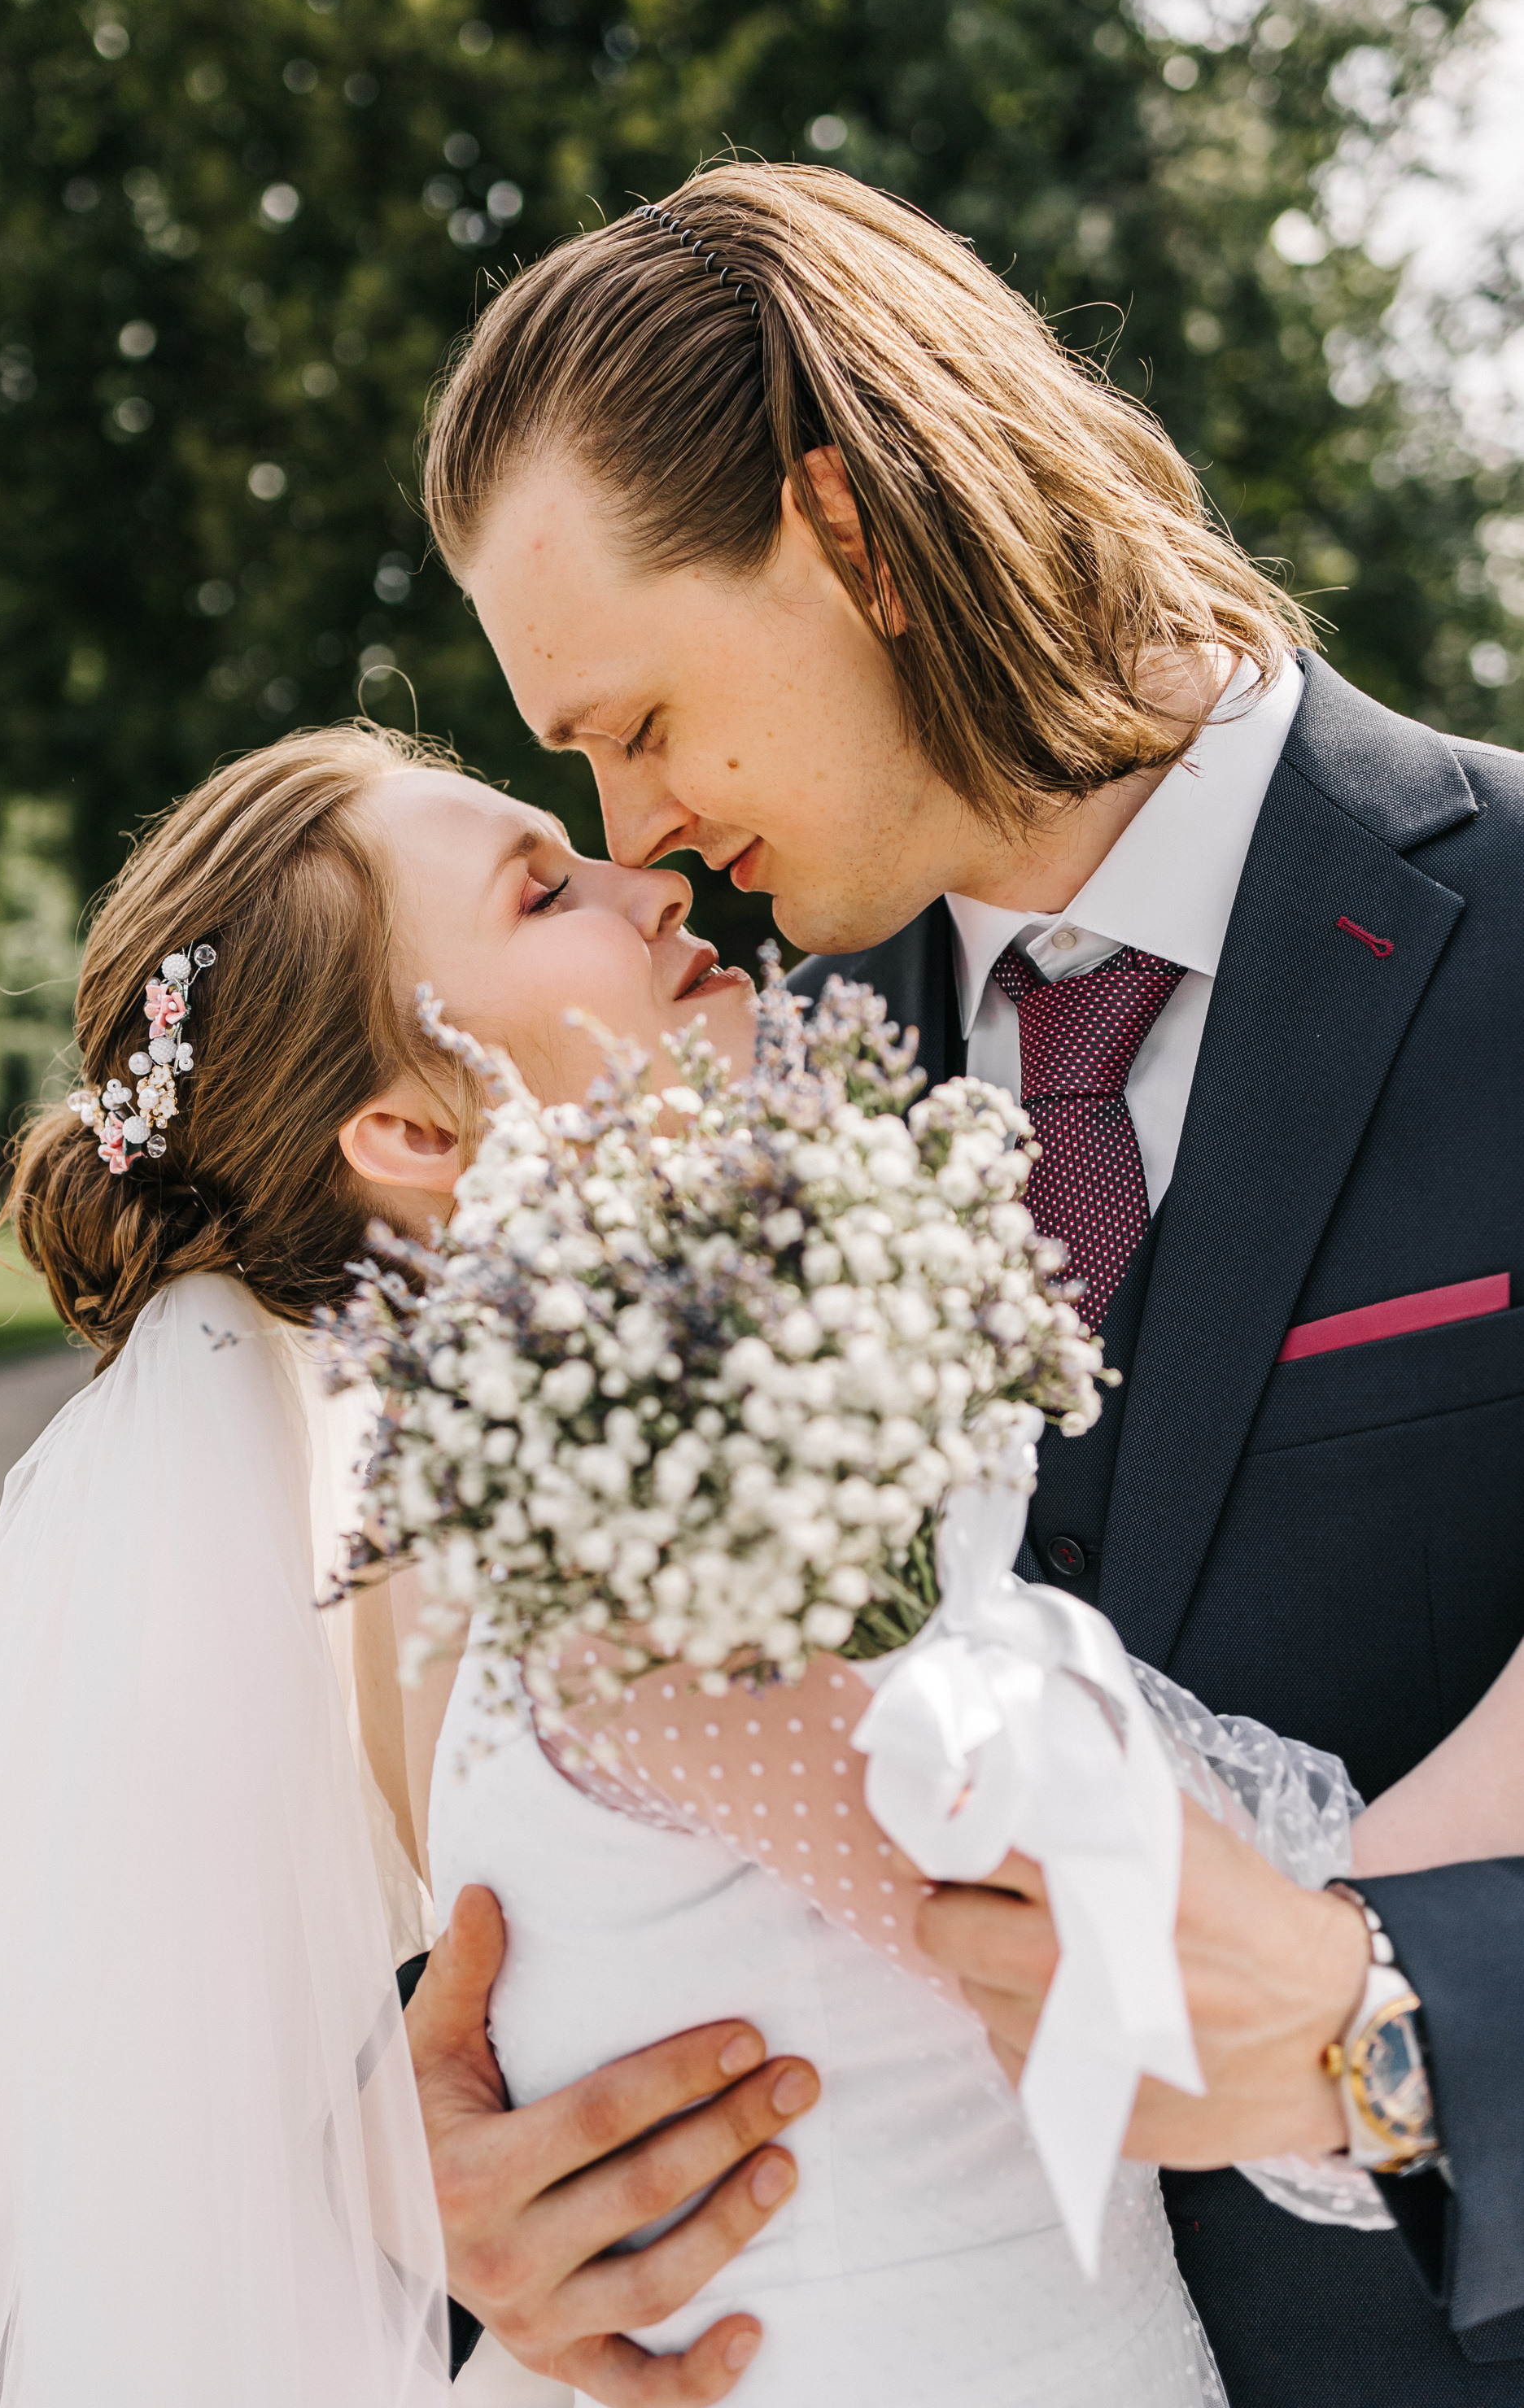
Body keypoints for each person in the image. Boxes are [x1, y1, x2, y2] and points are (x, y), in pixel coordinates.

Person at [413, 160, 1524, 2401]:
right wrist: (463, 2194)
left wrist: (1382, 2041)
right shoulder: (717, 1115)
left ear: (846, 529)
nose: (633, 840)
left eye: (635, 723)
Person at [0, 726, 810, 2408]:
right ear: (409, 1131)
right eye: (544, 887)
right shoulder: (492, 1512)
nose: (657, 882)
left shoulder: (515, 1441)